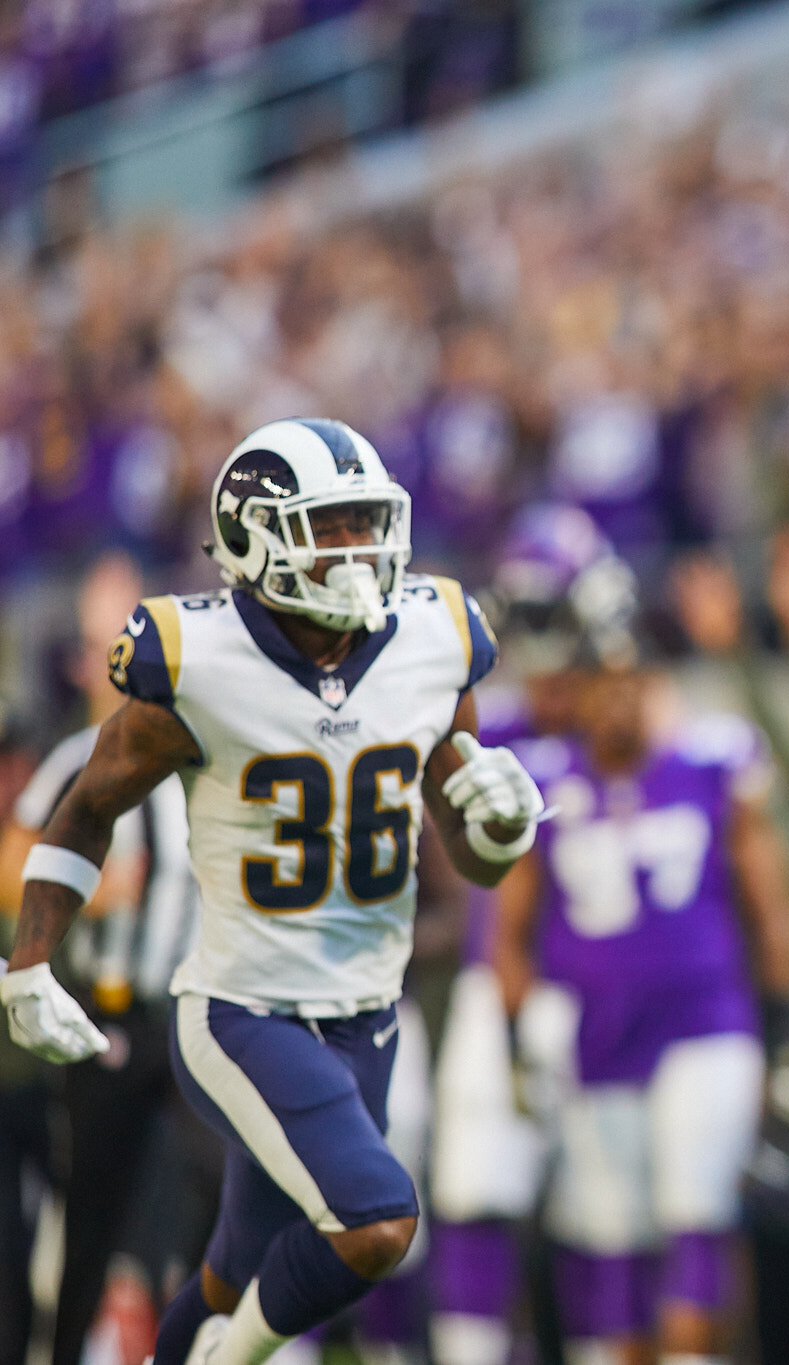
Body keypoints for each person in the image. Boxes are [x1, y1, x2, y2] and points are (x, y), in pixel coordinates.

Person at [0, 418, 549, 1365]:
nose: (358, 549)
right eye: (328, 526)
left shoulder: (435, 636)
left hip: (371, 1012)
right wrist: (31, 962)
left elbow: (477, 858)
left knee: (236, 1261)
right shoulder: (197, 661)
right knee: (377, 1222)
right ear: (256, 535)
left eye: (365, 522)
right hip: (244, 1009)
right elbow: (87, 807)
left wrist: (501, 824)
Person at [492, 633, 789, 1365]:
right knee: (612, 1236)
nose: (620, 700)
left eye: (634, 681)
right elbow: (505, 929)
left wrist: (783, 1035)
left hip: (703, 1018)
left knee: (698, 1211)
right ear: (579, 694)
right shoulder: (545, 780)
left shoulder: (709, 767)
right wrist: (521, 1028)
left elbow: (772, 910)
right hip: (595, 1028)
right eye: (603, 684)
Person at [428, 504, 637, 1365]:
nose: (543, 651)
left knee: (609, 1217)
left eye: (556, 619)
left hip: (620, 993)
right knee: (476, 1189)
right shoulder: (499, 729)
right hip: (504, 988)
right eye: (530, 621)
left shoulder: (637, 730)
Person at [0, 551, 215, 1365]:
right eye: (101, 646)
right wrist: (74, 889)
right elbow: (12, 854)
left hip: (197, 1011)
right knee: (94, 1206)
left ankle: (200, 1342)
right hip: (107, 1011)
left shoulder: (201, 749)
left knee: (220, 1187)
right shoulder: (74, 757)